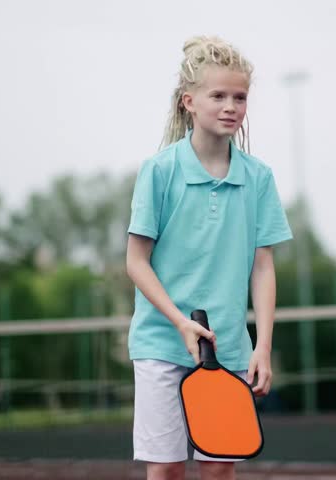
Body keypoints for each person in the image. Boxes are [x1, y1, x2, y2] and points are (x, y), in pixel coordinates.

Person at [126, 36, 293, 480]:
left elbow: (263, 267)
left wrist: (263, 346)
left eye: (239, 97)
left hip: (230, 349)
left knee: (219, 467)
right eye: (217, 95)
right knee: (166, 469)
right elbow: (135, 262)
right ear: (189, 102)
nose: (230, 106)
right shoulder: (159, 171)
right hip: (162, 343)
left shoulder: (259, 178)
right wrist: (180, 322)